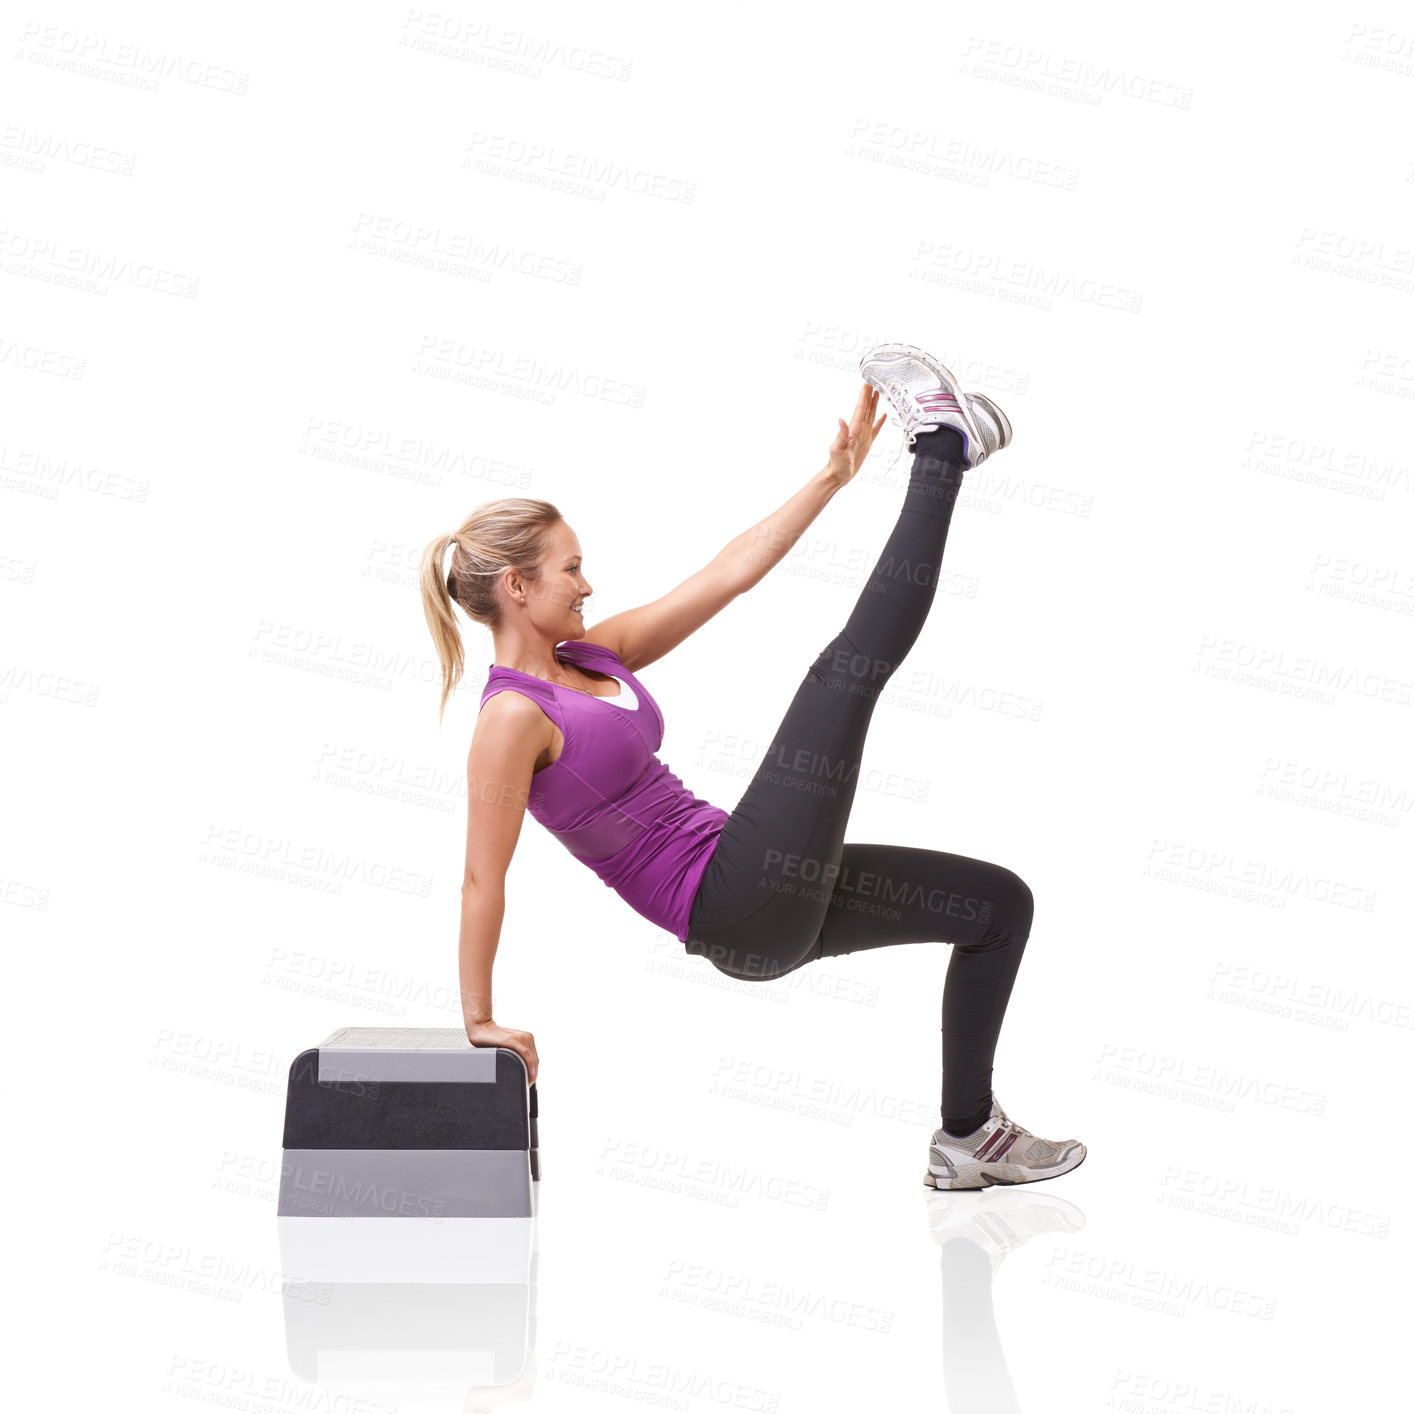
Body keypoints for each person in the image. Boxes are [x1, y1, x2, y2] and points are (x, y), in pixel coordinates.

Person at [419, 343, 1086, 1189]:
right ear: (516, 587)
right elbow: (482, 879)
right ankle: (943, 451)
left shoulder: (590, 657)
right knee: (845, 673)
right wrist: (477, 1017)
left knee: (996, 906)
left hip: (762, 885)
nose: (587, 584)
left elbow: (728, 574)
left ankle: (968, 1137)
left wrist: (831, 478)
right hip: (733, 902)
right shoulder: (512, 718)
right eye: (571, 567)